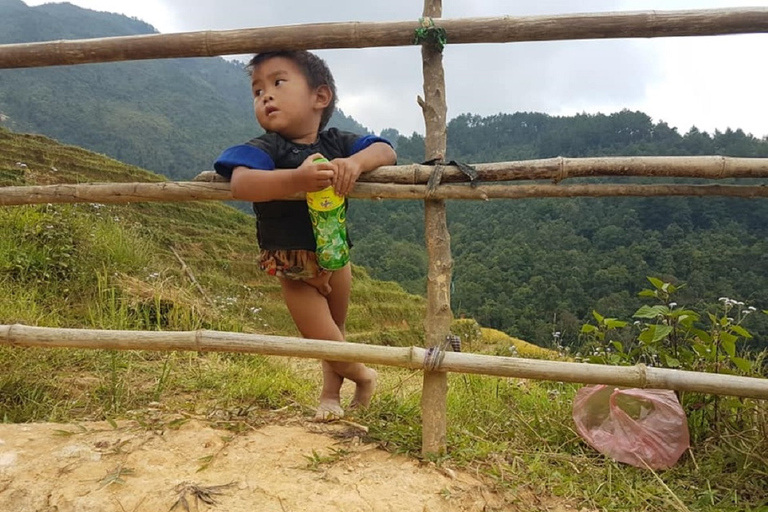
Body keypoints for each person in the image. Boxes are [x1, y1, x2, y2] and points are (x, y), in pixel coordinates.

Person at [213, 50, 397, 421]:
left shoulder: (336, 143)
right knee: (322, 337)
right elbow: (242, 183)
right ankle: (364, 376)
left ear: (320, 97)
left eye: (278, 83)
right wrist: (297, 179)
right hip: (290, 261)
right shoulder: (269, 148)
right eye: (257, 90)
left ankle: (330, 396)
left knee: (337, 331)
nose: (265, 96)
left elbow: (386, 150)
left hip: (335, 253)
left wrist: (355, 164)